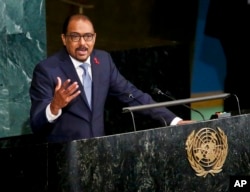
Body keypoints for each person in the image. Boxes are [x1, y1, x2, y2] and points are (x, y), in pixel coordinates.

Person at [29, 14, 194, 143]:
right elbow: (36, 124)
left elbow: (133, 96)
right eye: (75, 37)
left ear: (94, 37)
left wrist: (174, 121)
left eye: (87, 36)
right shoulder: (47, 70)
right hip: (65, 159)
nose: (82, 43)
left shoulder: (103, 62)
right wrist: (54, 107)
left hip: (100, 155)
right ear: (64, 39)